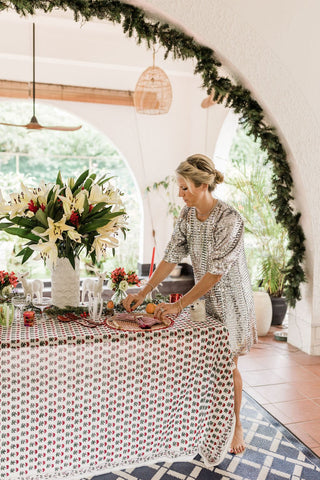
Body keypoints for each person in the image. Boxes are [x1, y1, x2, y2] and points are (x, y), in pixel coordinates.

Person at [123, 153, 257, 454]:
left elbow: (215, 273)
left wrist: (180, 303)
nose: (179, 194)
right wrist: (143, 293)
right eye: (179, 187)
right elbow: (171, 255)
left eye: (184, 188)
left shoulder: (230, 219)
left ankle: (236, 424)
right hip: (202, 299)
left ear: (202, 186)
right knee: (207, 362)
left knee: (228, 363)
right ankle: (208, 420)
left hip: (231, 299)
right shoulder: (187, 216)